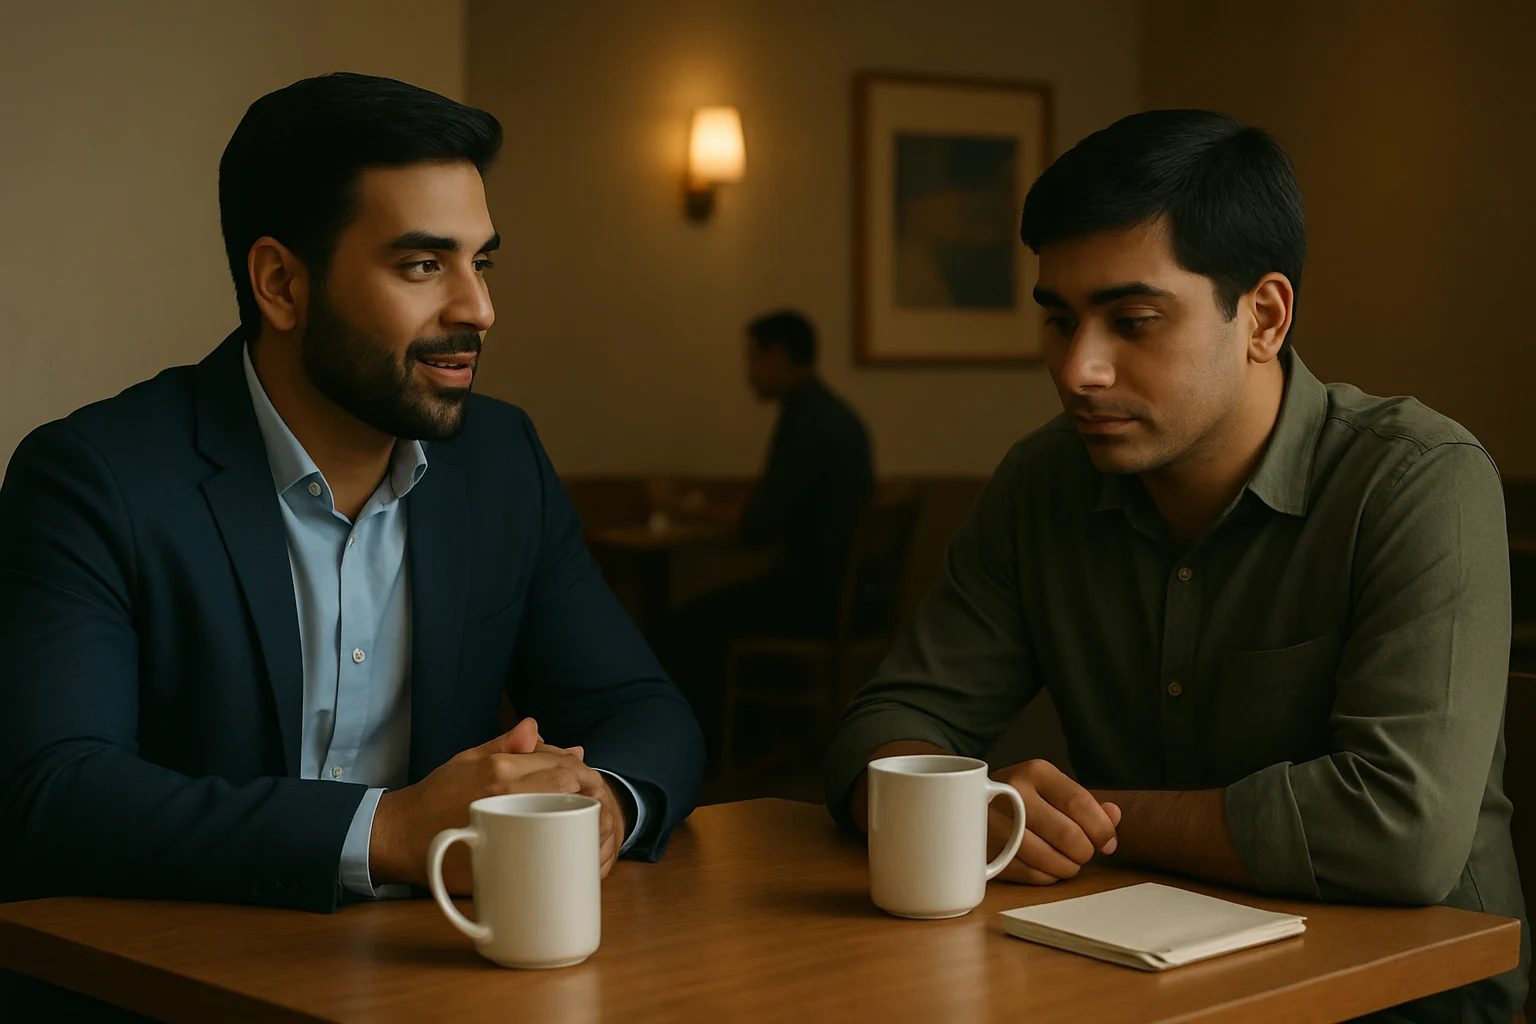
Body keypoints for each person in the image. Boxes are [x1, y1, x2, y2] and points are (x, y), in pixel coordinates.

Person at [823, 110, 1526, 1022]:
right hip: (1134, 981)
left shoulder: (1419, 481)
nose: (1079, 369)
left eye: (1133, 321)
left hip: (1406, 998)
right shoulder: (1044, 481)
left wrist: (1093, 818)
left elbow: (1400, 833)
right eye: (1059, 320)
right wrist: (977, 811)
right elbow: (882, 724)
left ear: (1263, 318)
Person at [0, 72, 704, 926]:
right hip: (177, 978)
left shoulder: (500, 459)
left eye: (479, 263)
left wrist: (601, 807)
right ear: (282, 285)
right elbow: (56, 793)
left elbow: (642, 711)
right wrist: (390, 830)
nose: (478, 308)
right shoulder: (93, 478)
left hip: (437, 972)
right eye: (421, 264)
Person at [657, 310, 873, 756]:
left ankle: (706, 753)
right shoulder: (830, 414)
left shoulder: (807, 421)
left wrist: (688, 505)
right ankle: (747, 743)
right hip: (850, 595)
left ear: (776, 356)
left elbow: (760, 525)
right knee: (703, 617)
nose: (748, 372)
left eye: (752, 358)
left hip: (813, 598)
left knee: (683, 626)